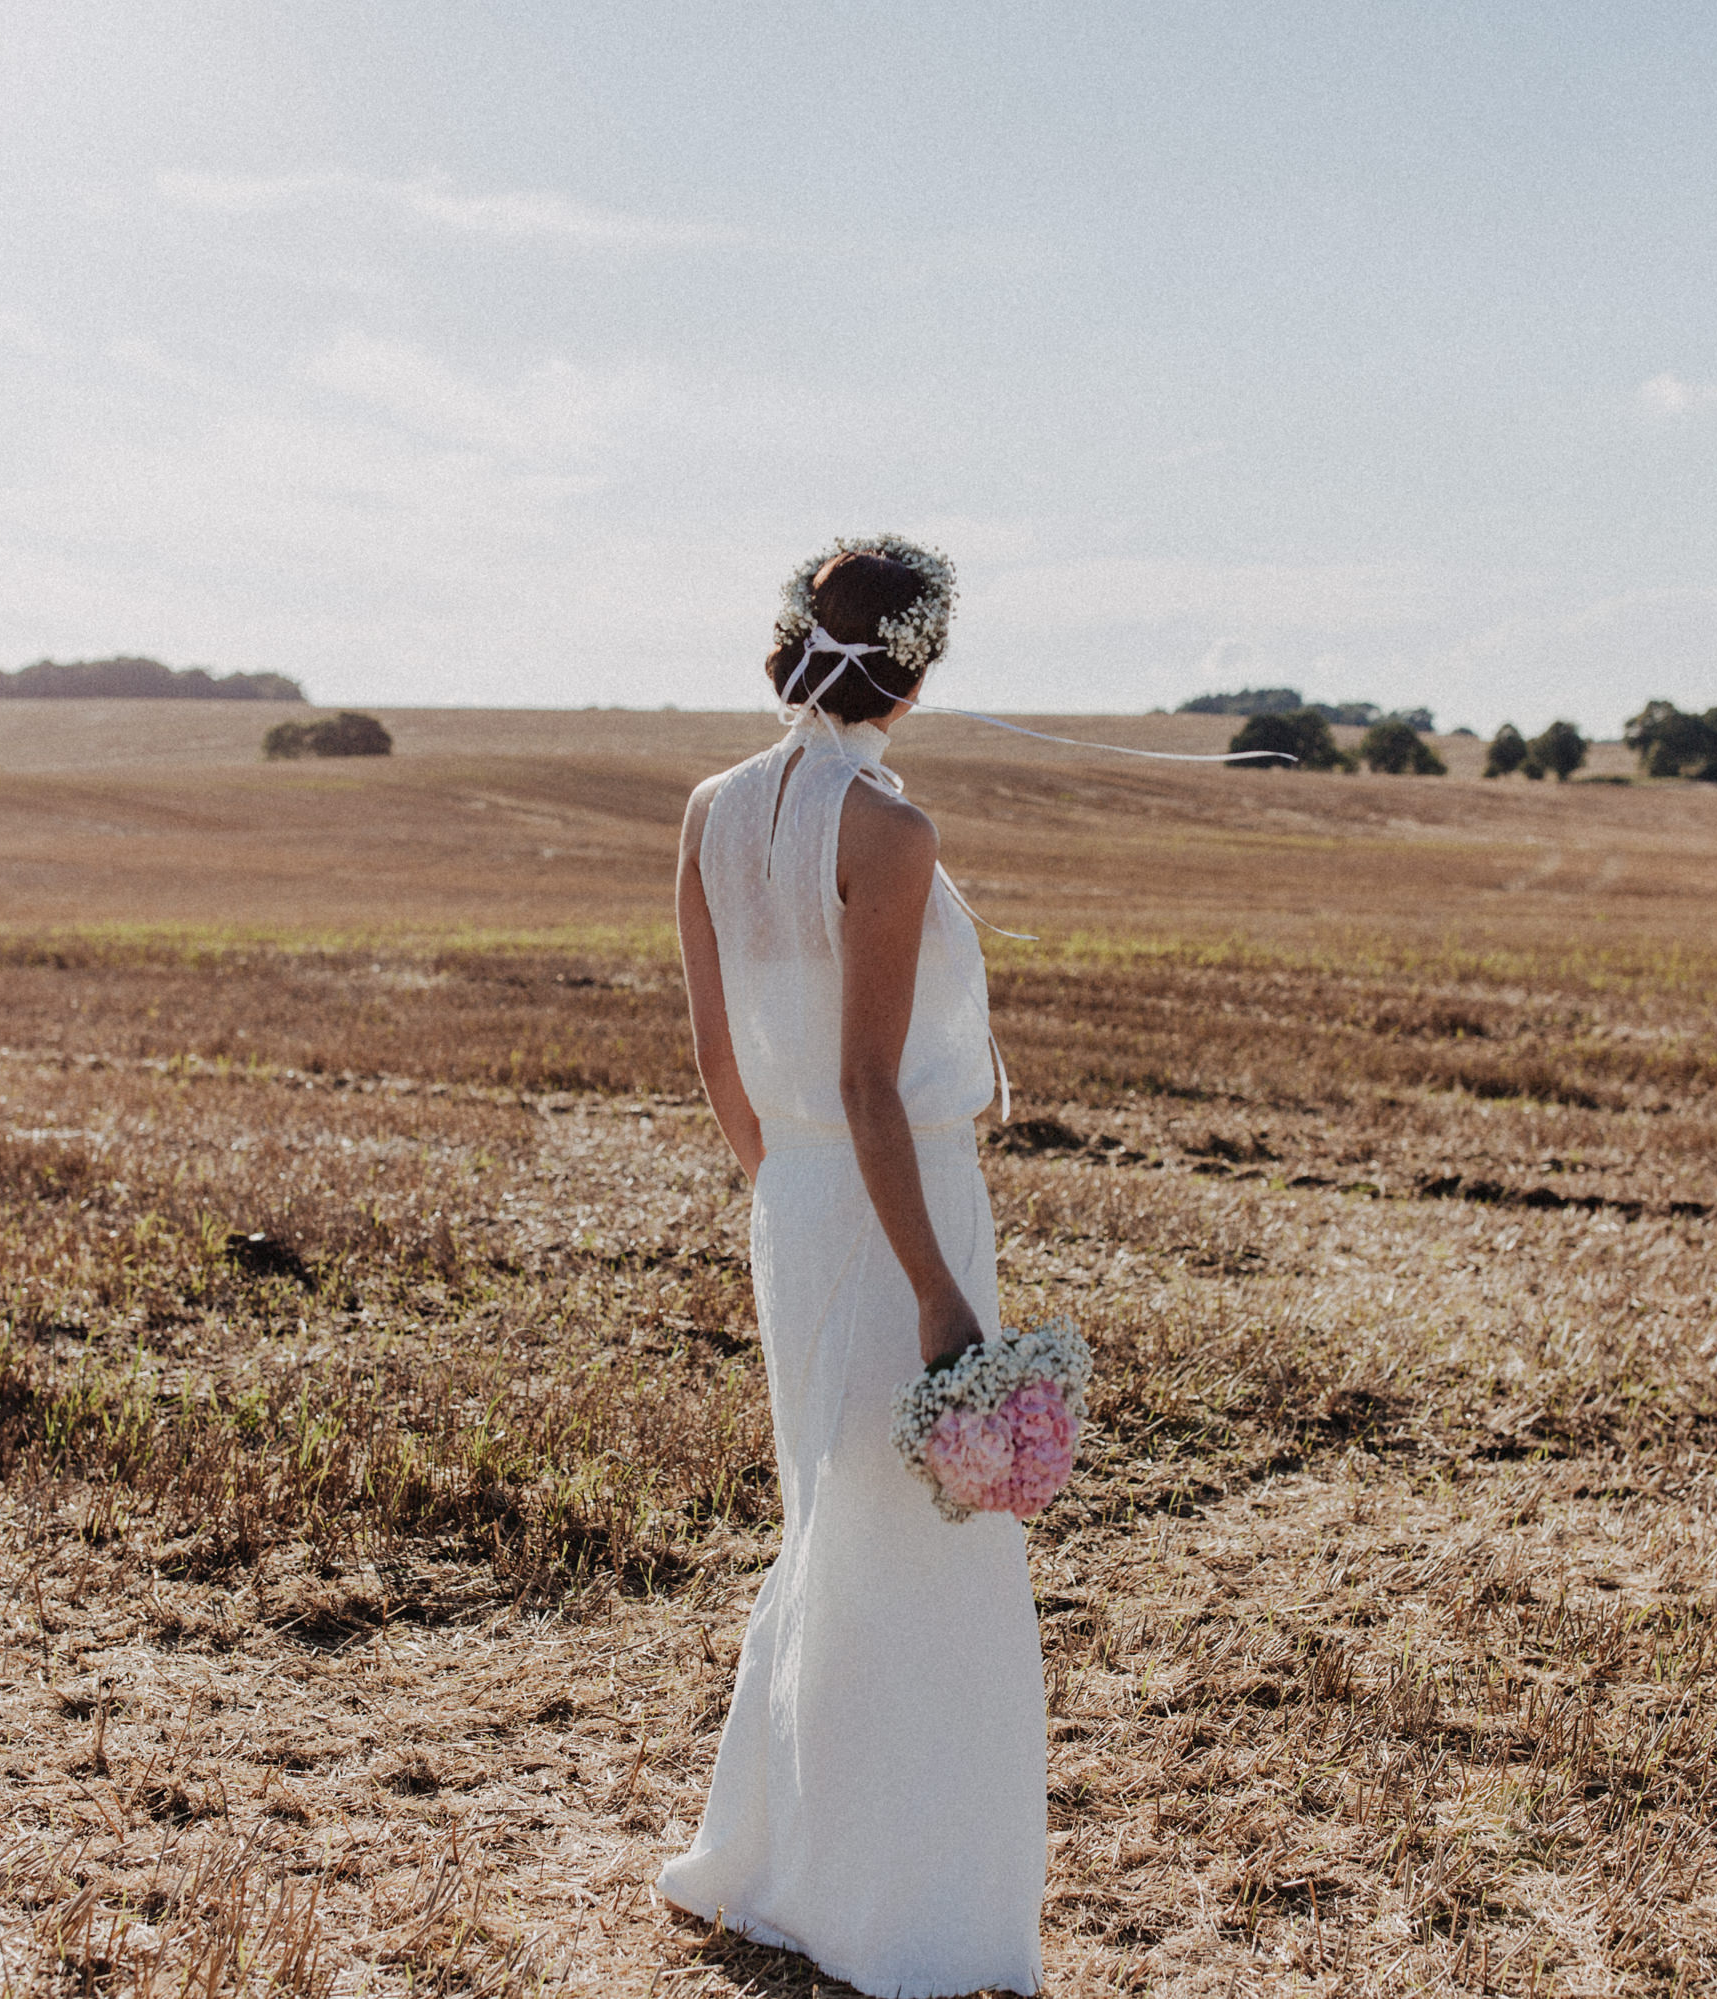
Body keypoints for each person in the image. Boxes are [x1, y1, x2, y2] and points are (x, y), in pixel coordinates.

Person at [657, 538, 1046, 1997]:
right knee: (925, 1549)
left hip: (801, 1201)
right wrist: (941, 1295)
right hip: (901, 1210)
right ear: (917, 663)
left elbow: (717, 1059)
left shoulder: (714, 809)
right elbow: (878, 1086)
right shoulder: (886, 830)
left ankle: (776, 1865)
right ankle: (908, 1919)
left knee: (835, 1526)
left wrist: (788, 1200)